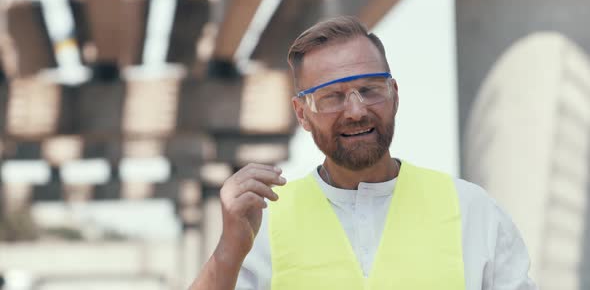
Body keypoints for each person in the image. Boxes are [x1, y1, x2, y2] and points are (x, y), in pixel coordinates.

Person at [189, 16, 537, 290]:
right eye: (332, 97)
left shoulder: (472, 211)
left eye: (369, 89)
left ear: (395, 94)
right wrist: (228, 249)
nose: (355, 111)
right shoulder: (262, 226)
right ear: (302, 114)